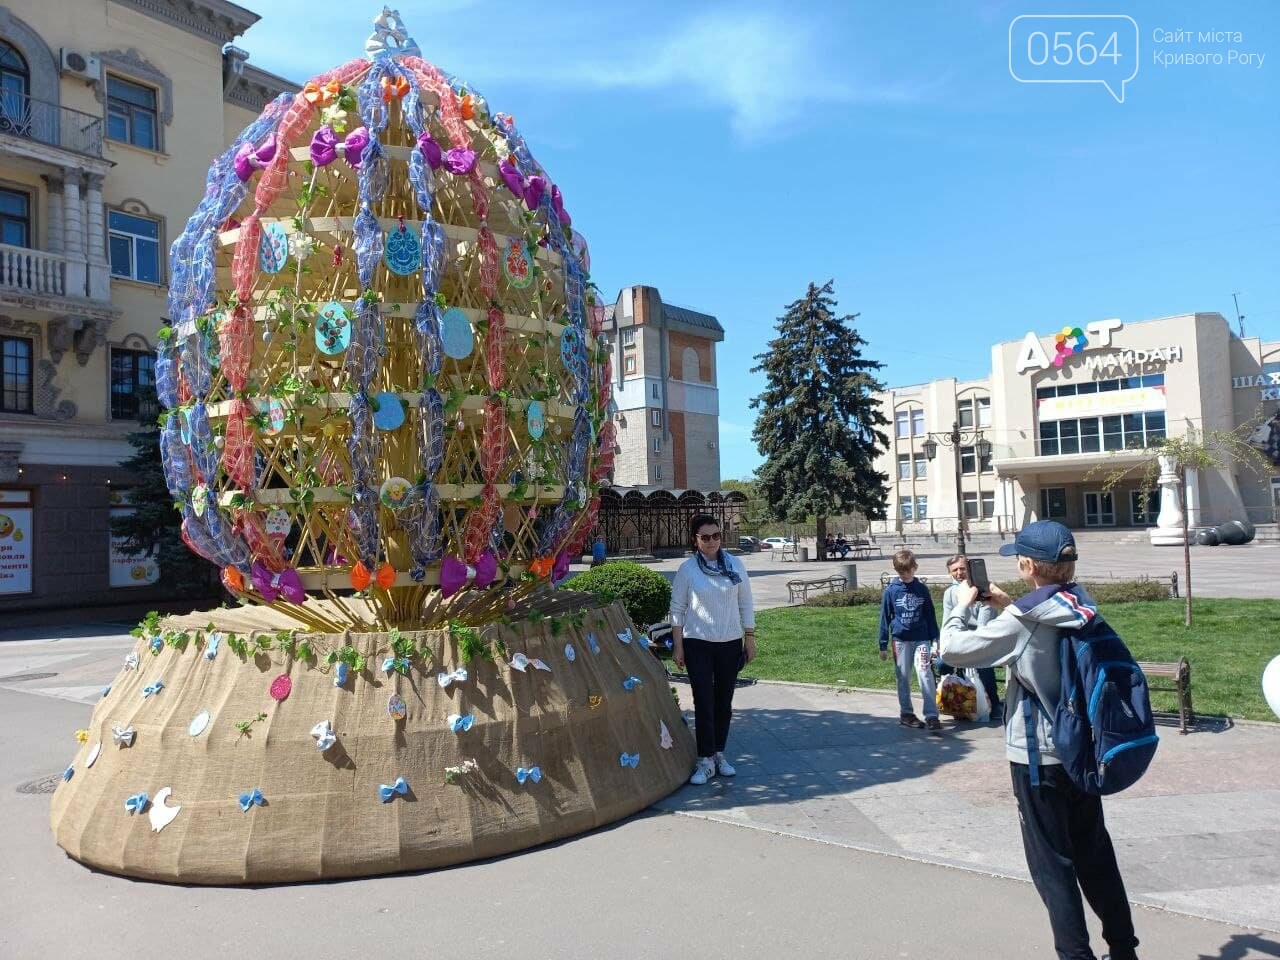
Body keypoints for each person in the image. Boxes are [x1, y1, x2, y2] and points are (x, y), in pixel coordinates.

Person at [939, 521, 1140, 960]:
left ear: (1028, 564)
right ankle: (1124, 950)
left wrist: (961, 604)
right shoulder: (1081, 601)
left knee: (1053, 866)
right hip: (1082, 751)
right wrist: (1011, 605)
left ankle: (1075, 955)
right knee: (1095, 855)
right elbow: (1038, 632)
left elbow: (953, 650)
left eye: (1019, 558)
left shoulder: (1021, 620)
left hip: (1037, 758)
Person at [670, 513, 756, 785]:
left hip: (729, 643)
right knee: (703, 701)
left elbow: (746, 603)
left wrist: (749, 637)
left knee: (723, 702)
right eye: (705, 537)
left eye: (716, 536)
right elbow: (677, 609)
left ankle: (719, 753)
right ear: (695, 540)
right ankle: (704, 760)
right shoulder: (687, 570)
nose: (711, 542)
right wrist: (678, 645)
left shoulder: (735, 565)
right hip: (698, 644)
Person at [877, 548, 942, 734]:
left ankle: (932, 716)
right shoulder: (892, 591)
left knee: (925, 673)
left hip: (921, 638)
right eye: (901, 572)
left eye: (908, 570)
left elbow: (930, 615)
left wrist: (935, 640)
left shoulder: (921, 589)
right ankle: (906, 713)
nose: (905, 575)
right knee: (903, 677)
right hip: (900, 640)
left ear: (915, 568)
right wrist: (882, 644)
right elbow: (885, 617)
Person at [938, 554, 1003, 722]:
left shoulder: (982, 590)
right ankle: (958, 701)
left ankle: (994, 704)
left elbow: (983, 624)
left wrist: (967, 643)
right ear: (950, 573)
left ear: (969, 569)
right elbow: (948, 620)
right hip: (961, 637)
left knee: (981, 662)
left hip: (983, 637)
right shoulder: (949, 593)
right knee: (942, 662)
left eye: (962, 569)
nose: (959, 573)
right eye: (955, 570)